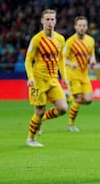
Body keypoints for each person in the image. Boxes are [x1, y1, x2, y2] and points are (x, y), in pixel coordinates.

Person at [25, 9, 68, 147]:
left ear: (55, 21)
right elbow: (28, 59)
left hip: (53, 79)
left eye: (52, 19)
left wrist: (64, 77)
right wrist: (30, 77)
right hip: (38, 80)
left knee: (62, 108)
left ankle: (41, 120)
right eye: (47, 19)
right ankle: (30, 139)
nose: (50, 22)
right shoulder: (37, 39)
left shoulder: (60, 39)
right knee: (39, 110)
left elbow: (61, 59)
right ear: (42, 21)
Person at [64, 16, 96, 132]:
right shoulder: (70, 41)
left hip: (84, 74)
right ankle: (71, 124)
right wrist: (70, 63)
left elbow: (92, 53)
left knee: (88, 100)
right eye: (80, 25)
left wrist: (92, 59)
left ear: (86, 27)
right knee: (78, 99)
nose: (82, 28)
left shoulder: (90, 40)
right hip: (73, 74)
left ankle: (69, 98)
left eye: (84, 26)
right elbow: (63, 58)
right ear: (75, 27)